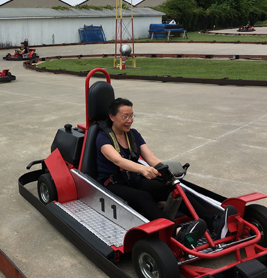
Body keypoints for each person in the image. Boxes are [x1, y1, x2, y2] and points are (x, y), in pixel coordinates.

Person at [96, 97, 238, 244]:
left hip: (133, 179)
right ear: (112, 117)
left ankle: (214, 222)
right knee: (143, 197)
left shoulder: (133, 135)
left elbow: (151, 159)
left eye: (131, 116)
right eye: (125, 116)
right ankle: (177, 232)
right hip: (113, 184)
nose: (130, 120)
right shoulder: (103, 138)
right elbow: (118, 160)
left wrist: (168, 172)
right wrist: (143, 170)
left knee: (172, 188)